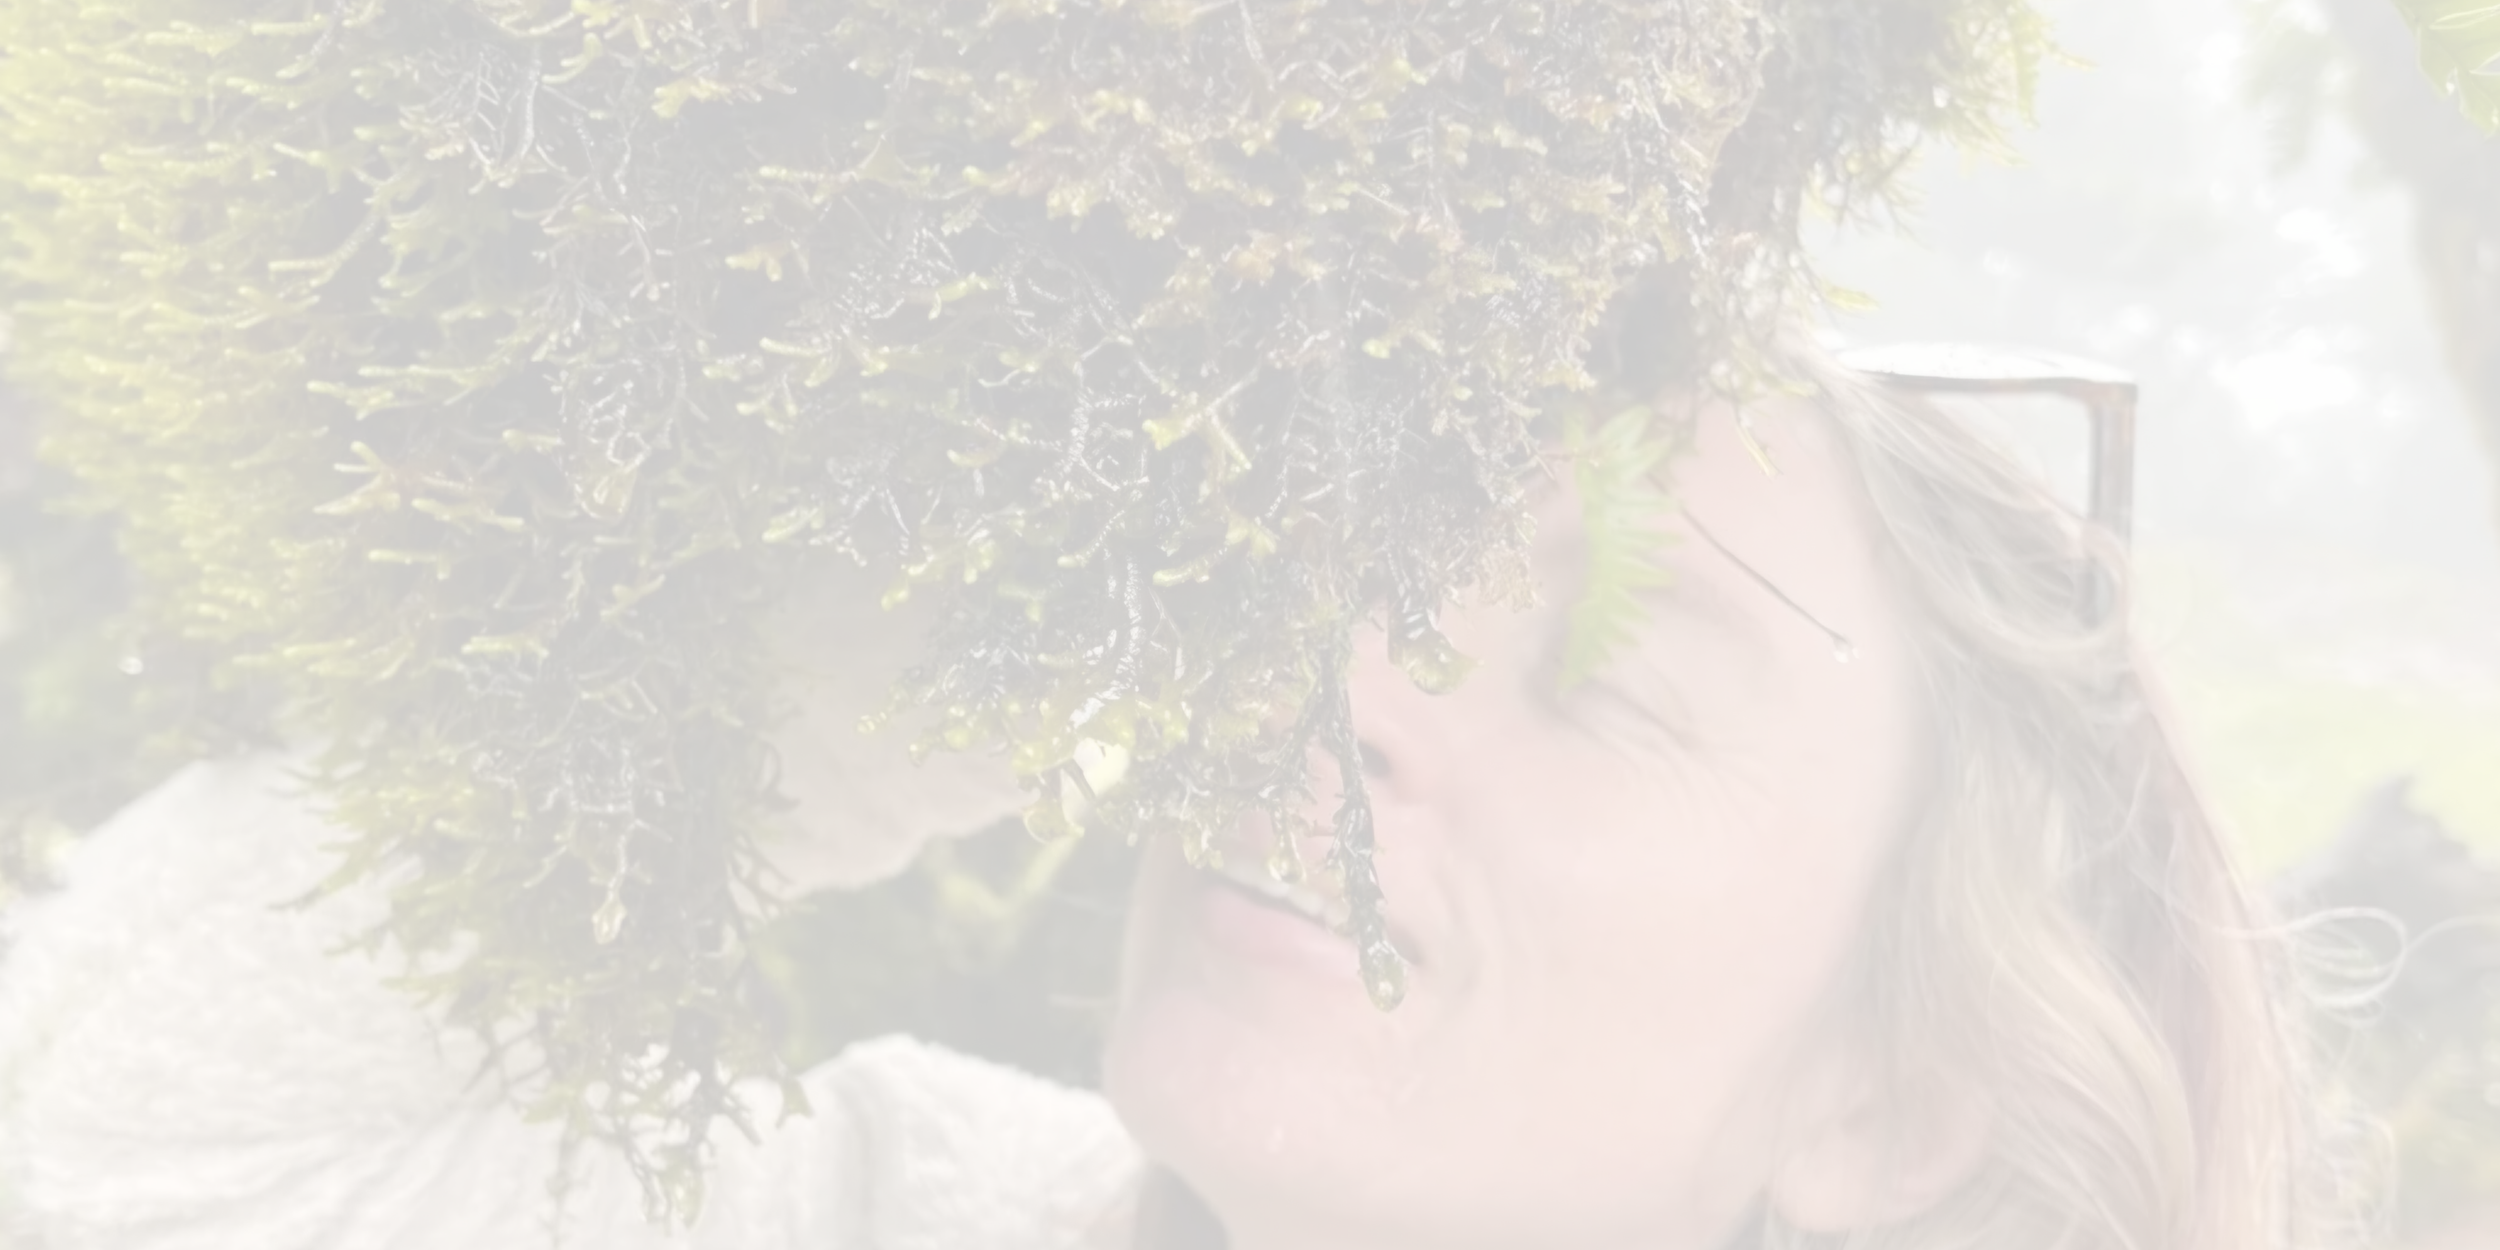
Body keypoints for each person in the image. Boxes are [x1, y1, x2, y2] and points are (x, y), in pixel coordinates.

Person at [0, 329, 2314, 1248]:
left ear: (1886, 1102)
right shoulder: (879, 1204)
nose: (1338, 680)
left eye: (1606, 673)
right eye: (1364, 570)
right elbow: (114, 1160)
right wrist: (794, 711)